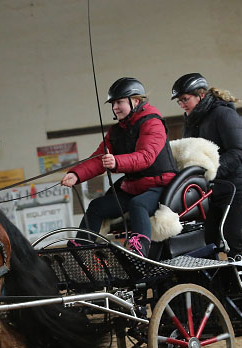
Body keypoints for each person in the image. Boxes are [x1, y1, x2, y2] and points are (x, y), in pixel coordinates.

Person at [61, 77, 177, 257]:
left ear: (136, 101)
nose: (115, 107)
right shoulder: (115, 131)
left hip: (160, 186)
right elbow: (98, 159)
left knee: (137, 204)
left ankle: (140, 252)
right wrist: (76, 175)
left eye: (119, 102)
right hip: (134, 187)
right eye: (113, 103)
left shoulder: (152, 122)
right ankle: (80, 250)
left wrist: (117, 162)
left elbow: (146, 157)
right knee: (97, 206)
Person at [171, 73, 242, 256]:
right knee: (208, 241)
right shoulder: (190, 121)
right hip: (214, 191)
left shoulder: (224, 115)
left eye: (185, 99)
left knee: (235, 241)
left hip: (239, 189)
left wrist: (211, 172)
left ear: (201, 95)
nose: (182, 104)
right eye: (179, 101)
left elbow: (239, 151)